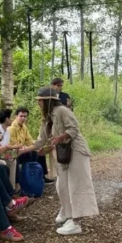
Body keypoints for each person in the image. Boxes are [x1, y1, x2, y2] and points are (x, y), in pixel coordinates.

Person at [19, 87, 99, 235]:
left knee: (76, 186)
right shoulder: (47, 117)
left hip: (76, 151)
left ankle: (76, 222)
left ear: (48, 101)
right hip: (62, 154)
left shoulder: (63, 111)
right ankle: (68, 212)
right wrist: (24, 149)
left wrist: (59, 138)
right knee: (61, 185)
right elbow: (41, 140)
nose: (38, 104)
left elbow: (74, 129)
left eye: (40, 101)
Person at [9, 107, 54, 186]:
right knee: (32, 153)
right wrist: (26, 147)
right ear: (16, 116)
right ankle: (28, 177)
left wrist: (36, 145)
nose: (23, 118)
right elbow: (13, 144)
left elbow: (29, 140)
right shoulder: (12, 128)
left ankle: (41, 176)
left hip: (22, 150)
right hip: (13, 152)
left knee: (39, 152)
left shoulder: (24, 127)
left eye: (25, 116)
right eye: (21, 116)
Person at [0, 109, 19, 190]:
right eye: (11, 118)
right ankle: (10, 188)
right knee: (12, 159)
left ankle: (12, 188)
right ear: (6, 119)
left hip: (3, 153)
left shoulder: (7, 131)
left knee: (14, 158)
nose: (12, 120)